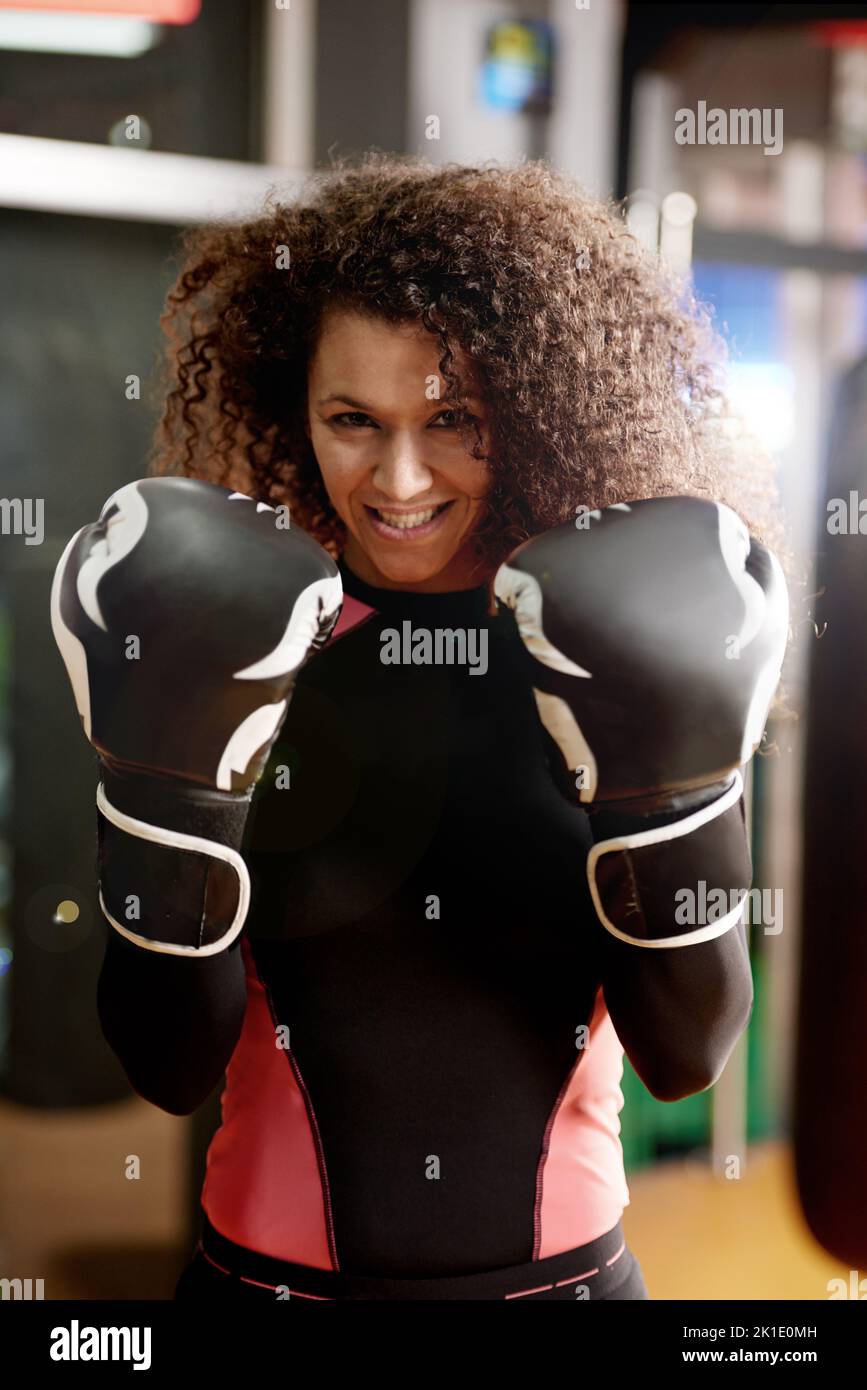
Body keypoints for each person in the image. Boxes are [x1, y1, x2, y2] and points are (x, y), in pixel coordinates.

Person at [51, 156, 789, 1301]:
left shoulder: (621, 647)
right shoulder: (238, 645)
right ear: (295, 410)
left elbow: (689, 1056)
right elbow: (164, 1065)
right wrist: (168, 804)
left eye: (453, 420)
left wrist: (676, 800)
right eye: (353, 418)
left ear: (535, 409)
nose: (398, 476)